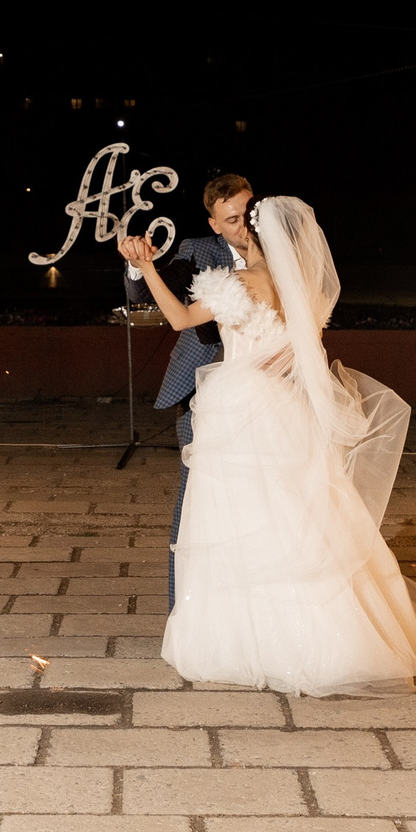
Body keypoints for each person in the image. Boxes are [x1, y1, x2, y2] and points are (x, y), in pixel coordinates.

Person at [119, 195, 416, 696]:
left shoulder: (241, 281)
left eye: (244, 223)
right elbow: (299, 346)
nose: (239, 230)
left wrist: (150, 269)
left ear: (253, 233)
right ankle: (328, 638)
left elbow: (179, 319)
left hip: (239, 406)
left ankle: (246, 640)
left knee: (235, 517)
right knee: (292, 514)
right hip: (281, 406)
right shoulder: (300, 287)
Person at [126, 173, 254, 597]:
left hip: (264, 397)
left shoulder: (284, 256)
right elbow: (157, 289)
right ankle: (185, 604)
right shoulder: (198, 250)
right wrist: (139, 265)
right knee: (198, 496)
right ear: (214, 223)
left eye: (248, 214)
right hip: (202, 393)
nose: (243, 226)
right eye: (231, 220)